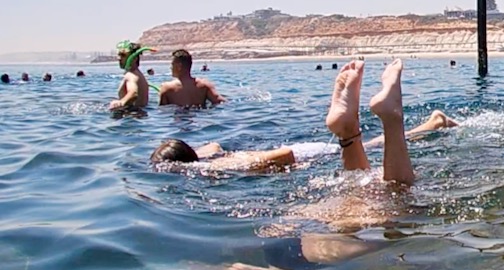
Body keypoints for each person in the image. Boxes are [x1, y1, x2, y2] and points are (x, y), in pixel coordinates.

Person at [151, 60, 455, 184]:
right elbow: (213, 143)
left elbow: (283, 157)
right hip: (302, 148)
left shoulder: (213, 167)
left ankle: (429, 125)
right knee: (370, 146)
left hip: (304, 154)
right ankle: (432, 123)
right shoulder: (210, 156)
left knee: (373, 148)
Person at [159, 48, 225, 108]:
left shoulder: (167, 88)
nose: (171, 68)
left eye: (172, 64)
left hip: (178, 117)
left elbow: (162, 111)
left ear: (179, 66)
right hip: (199, 119)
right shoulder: (204, 85)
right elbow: (221, 102)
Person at [110, 41, 152, 112]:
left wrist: (120, 103)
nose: (119, 58)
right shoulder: (138, 74)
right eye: (119, 55)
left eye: (123, 55)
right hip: (141, 116)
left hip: (130, 117)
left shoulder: (131, 75)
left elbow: (133, 93)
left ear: (134, 58)